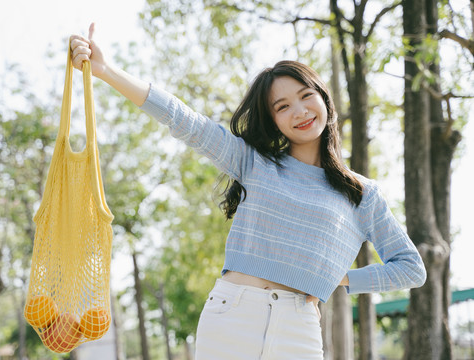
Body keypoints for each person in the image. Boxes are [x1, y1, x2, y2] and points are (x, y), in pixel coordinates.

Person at [70, 23, 426, 360]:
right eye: (282, 106)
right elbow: (184, 120)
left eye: (305, 96)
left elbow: (411, 268)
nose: (299, 111)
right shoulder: (254, 163)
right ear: (272, 120)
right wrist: (105, 70)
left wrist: (341, 278)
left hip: (299, 330)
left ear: (324, 99)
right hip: (232, 316)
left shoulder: (361, 193)